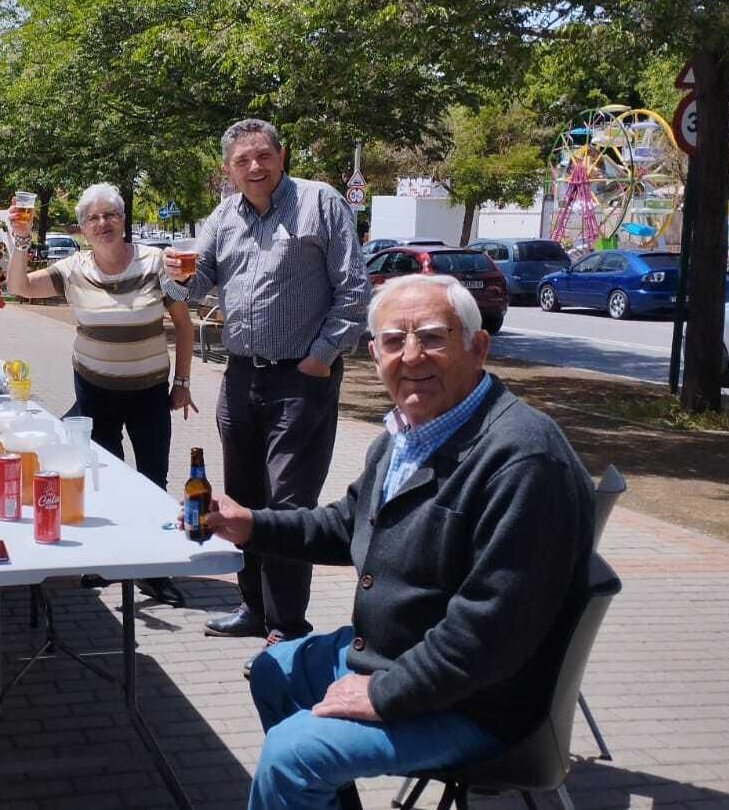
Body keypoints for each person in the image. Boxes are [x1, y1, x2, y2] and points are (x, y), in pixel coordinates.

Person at [202, 274, 596, 810]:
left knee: (293, 755)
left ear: (478, 347)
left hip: (475, 701)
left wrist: (384, 694)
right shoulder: (406, 432)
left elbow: (490, 632)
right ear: (374, 353)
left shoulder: (522, 459)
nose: (411, 356)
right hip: (397, 659)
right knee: (275, 670)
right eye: (393, 341)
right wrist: (252, 523)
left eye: (433, 336)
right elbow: (347, 524)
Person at [161, 118, 368, 647]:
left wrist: (321, 358)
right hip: (239, 379)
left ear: (281, 156)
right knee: (246, 499)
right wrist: (173, 276)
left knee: (289, 505)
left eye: (262, 156)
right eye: (241, 161)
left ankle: (288, 629)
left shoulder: (320, 203)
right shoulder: (224, 215)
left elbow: (354, 290)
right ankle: (252, 607)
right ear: (228, 170)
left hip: (301, 379)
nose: (254, 167)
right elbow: (194, 283)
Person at [5, 182, 196, 603]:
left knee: (151, 480)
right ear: (82, 228)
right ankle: (105, 559)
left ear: (124, 220)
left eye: (110, 214)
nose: (102, 223)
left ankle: (153, 567)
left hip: (149, 392)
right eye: (92, 218)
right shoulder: (73, 269)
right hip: (94, 390)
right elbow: (18, 286)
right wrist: (19, 238)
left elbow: (184, 325)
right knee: (102, 479)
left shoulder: (155, 264)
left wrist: (182, 383)